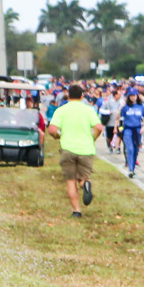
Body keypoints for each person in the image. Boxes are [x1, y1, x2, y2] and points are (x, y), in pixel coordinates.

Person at [46, 84, 102, 218]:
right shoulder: (88, 110)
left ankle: (77, 211)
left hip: (67, 148)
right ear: (82, 96)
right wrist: (92, 138)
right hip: (86, 148)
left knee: (70, 181)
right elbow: (99, 127)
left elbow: (52, 130)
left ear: (68, 96)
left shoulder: (61, 110)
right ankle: (86, 184)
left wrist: (57, 136)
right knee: (84, 177)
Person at [117, 90, 144, 178]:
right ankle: (130, 168)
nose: (133, 97)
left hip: (137, 129)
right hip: (128, 129)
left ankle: (133, 168)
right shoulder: (125, 107)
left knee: (136, 150)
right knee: (129, 149)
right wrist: (120, 108)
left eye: (134, 95)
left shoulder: (141, 106)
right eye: (131, 96)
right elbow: (118, 117)